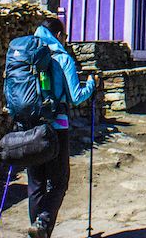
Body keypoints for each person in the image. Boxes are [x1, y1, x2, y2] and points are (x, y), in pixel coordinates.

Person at [27, 17, 96, 238]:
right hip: (56, 127)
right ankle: (43, 224)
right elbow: (75, 97)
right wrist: (92, 86)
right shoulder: (61, 58)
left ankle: (37, 230)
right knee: (59, 182)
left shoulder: (28, 53)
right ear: (59, 36)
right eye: (65, 36)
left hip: (29, 126)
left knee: (36, 184)